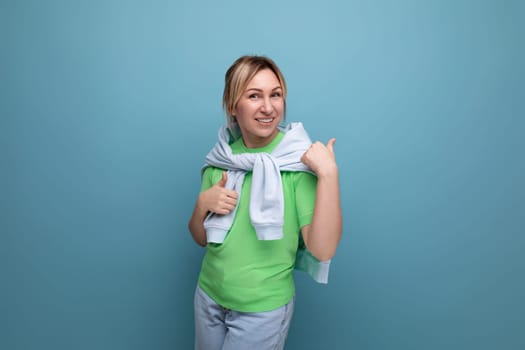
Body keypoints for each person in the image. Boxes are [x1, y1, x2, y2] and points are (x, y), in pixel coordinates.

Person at [188, 55, 342, 350]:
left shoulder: (297, 164)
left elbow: (322, 249)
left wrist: (329, 174)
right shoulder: (221, 158)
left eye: (276, 94)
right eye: (254, 95)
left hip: (262, 310)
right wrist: (201, 205)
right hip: (208, 297)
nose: (268, 107)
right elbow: (201, 238)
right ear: (233, 106)